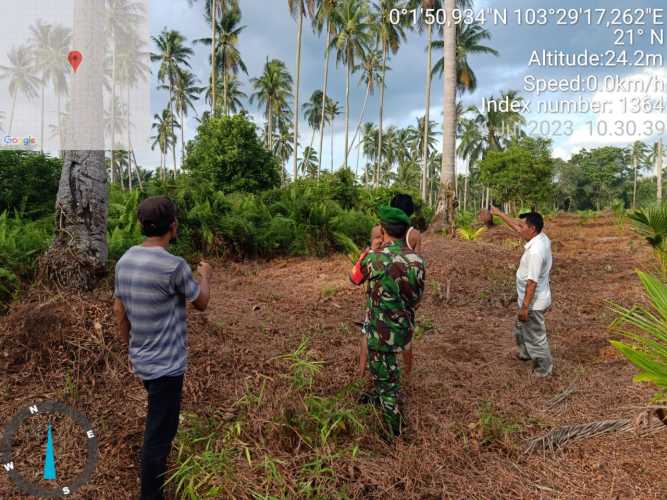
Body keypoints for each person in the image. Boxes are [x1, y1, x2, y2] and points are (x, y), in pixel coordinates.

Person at [113, 196, 212, 500]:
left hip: (142, 360)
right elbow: (201, 303)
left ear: (142, 225)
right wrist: (206, 276)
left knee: (159, 421)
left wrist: (128, 347)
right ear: (173, 226)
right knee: (159, 435)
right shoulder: (174, 266)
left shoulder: (126, 259)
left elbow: (120, 310)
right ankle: (151, 494)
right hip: (167, 366)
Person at [350, 206, 426, 438]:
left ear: (383, 231)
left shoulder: (375, 258)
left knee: (387, 379)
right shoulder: (417, 260)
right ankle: (382, 395)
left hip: (380, 332)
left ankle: (394, 431)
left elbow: (354, 278)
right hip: (403, 328)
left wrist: (366, 252)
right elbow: (416, 299)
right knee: (386, 372)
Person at [358, 194, 422, 378]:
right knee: (406, 334)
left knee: (369, 329)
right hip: (404, 292)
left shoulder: (378, 230)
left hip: (379, 289)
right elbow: (418, 263)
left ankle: (362, 373)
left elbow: (370, 256)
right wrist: (417, 297)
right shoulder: (414, 234)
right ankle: (407, 375)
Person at [491, 206, 553, 377]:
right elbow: (516, 227)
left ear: (532, 229)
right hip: (530, 298)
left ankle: (544, 370)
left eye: (523, 226)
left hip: (532, 302)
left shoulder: (535, 251)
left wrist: (525, 307)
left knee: (536, 336)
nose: (520, 228)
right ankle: (525, 353)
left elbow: (531, 282)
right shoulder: (541, 238)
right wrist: (499, 214)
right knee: (520, 327)